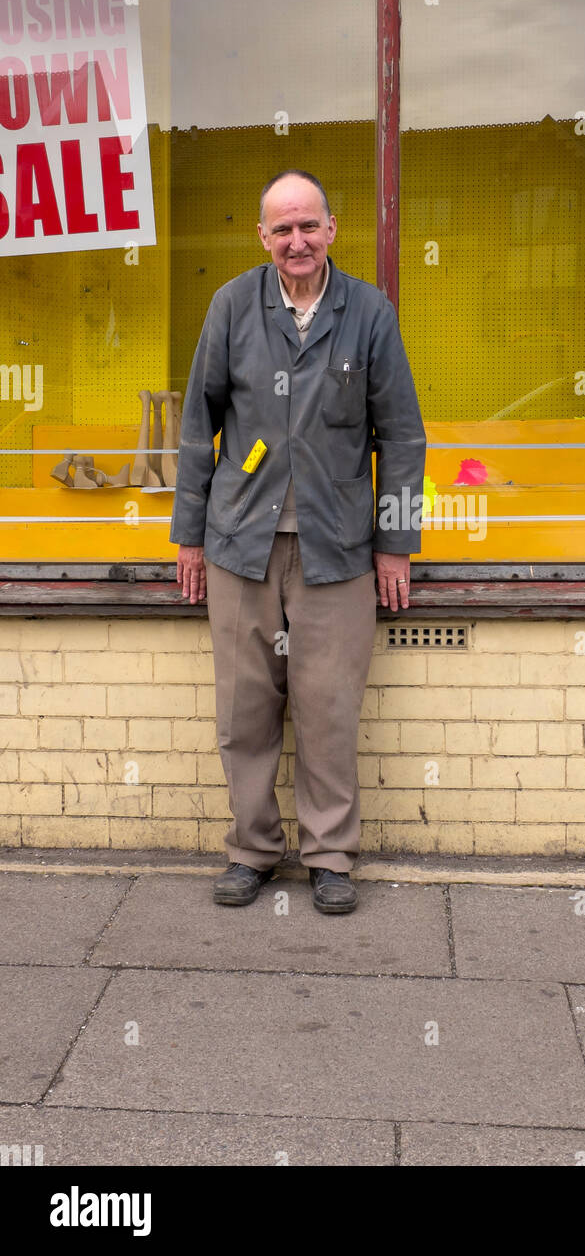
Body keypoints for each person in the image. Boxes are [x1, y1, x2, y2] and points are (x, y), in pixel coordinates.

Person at [170, 170, 426, 913]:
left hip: (338, 547)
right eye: (282, 229)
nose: (296, 241)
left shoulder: (369, 313)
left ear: (332, 229)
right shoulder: (231, 307)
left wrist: (395, 542)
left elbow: (402, 436)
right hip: (240, 544)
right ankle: (252, 849)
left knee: (329, 706)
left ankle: (331, 855)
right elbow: (198, 430)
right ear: (263, 238)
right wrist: (189, 537)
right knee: (245, 710)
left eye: (308, 226)